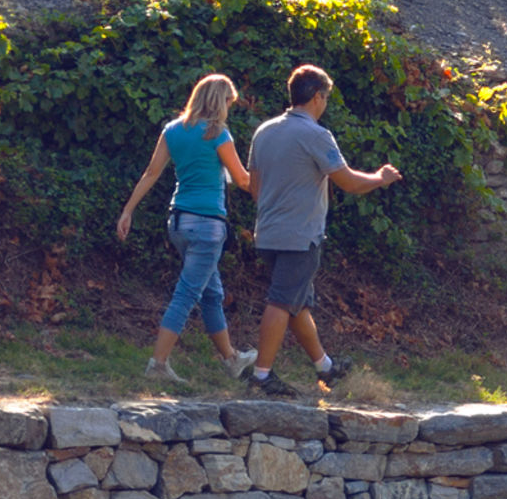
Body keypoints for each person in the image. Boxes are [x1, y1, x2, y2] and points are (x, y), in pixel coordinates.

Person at [240, 64, 401, 396]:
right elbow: (349, 182)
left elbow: (254, 187)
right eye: (326, 97)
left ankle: (325, 367)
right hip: (300, 236)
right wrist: (380, 178)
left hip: (267, 232)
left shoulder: (264, 132)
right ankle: (261, 376)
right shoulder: (315, 135)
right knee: (282, 301)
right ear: (316, 97)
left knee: (298, 303)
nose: (325, 104)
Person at [114, 74, 260, 387]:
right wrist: (271, 187)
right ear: (219, 101)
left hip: (178, 222)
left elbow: (151, 173)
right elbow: (242, 180)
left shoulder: (172, 130)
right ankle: (158, 364)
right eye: (229, 103)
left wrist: (128, 210)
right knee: (187, 294)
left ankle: (232, 359)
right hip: (208, 225)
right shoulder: (218, 133)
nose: (229, 110)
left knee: (212, 293)